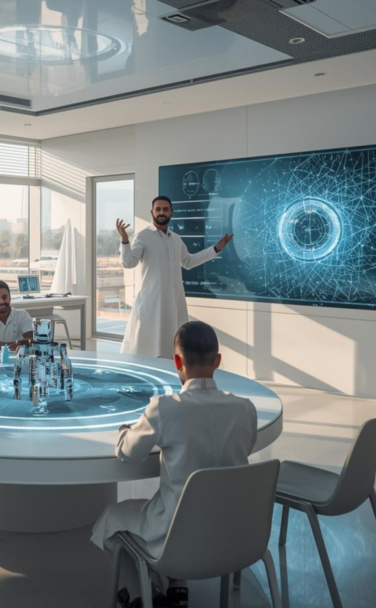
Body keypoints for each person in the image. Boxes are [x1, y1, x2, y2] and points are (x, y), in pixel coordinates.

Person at [91, 321, 257, 608]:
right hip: (232, 532)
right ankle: (178, 586)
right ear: (218, 361)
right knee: (184, 506)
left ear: (176, 361)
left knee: (109, 519)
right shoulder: (246, 409)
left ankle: (143, 594)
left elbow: (128, 454)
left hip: (174, 535)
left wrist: (122, 431)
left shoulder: (166, 408)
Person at [117, 196, 233, 358]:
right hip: (152, 302)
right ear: (152, 212)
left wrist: (215, 249)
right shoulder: (142, 237)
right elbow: (129, 262)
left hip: (174, 302)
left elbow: (188, 261)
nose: (161, 213)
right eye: (158, 209)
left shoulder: (176, 239)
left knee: (173, 344)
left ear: (171, 212)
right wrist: (124, 240)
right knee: (147, 346)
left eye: (165, 209)